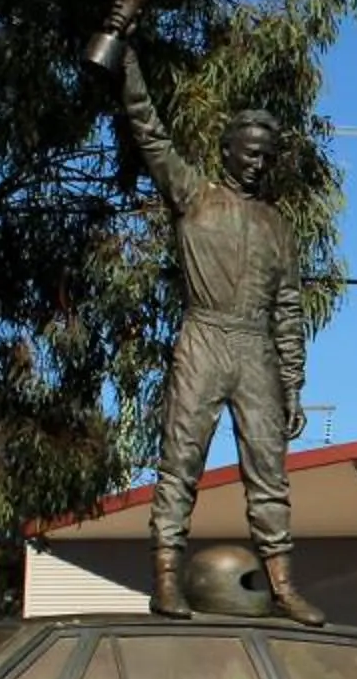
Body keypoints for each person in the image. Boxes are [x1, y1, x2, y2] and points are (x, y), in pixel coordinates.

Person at [115, 45, 325, 625]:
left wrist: (292, 384)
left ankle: (282, 587)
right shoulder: (191, 194)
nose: (257, 163)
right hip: (204, 335)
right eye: (249, 152)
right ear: (227, 150)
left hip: (254, 347)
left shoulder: (277, 226)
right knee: (179, 463)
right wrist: (129, 56)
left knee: (270, 474)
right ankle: (165, 580)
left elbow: (288, 309)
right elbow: (146, 124)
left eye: (266, 156)